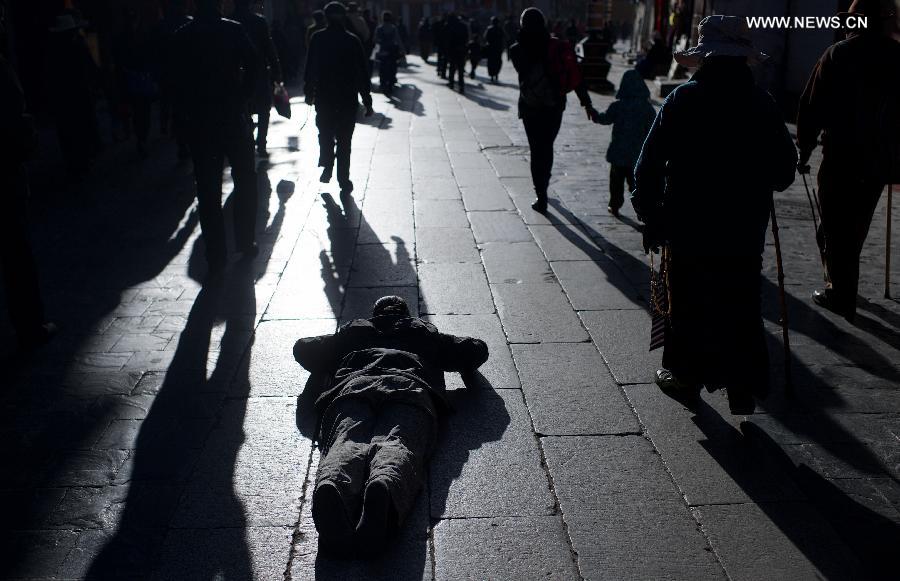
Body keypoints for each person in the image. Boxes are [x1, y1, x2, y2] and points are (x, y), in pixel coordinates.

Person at [632, 15, 797, 415]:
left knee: (687, 298)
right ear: (742, 59)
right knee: (740, 299)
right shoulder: (763, 104)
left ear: (706, 58)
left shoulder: (684, 100)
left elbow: (647, 167)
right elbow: (784, 171)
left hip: (688, 225)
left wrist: (650, 213)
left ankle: (685, 376)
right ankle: (742, 383)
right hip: (743, 227)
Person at [293, 296, 488, 555]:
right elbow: (475, 350)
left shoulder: (355, 330)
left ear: (375, 314)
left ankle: (334, 486)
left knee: (346, 441)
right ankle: (384, 486)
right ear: (405, 314)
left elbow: (303, 349)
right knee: (398, 442)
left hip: (353, 387)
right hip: (410, 387)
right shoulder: (423, 333)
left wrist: (336, 351)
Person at [796, 0, 900, 322]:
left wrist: (805, 147)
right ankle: (842, 287)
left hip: (841, 156)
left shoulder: (837, 54)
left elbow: (812, 104)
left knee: (832, 226)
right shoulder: (897, 57)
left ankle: (840, 294)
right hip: (876, 161)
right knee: (854, 226)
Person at [171, 0, 260, 276]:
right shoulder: (233, 30)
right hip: (232, 118)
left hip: (200, 122)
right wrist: (242, 98)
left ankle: (216, 254)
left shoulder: (183, 36)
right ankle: (245, 241)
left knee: (208, 190)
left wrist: (183, 116)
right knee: (245, 180)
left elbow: (172, 82)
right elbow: (255, 66)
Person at [1, 17, 57, 351]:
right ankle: (29, 325)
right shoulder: (1, 70)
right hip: (3, 176)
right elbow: (16, 119)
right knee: (16, 253)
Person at [510, 7, 598, 212]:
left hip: (530, 106)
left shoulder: (516, 49)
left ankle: (540, 194)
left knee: (535, 150)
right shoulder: (557, 47)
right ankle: (545, 185)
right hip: (553, 106)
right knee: (546, 148)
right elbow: (575, 76)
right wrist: (586, 103)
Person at [305, 1, 374, 194]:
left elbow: (310, 67)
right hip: (347, 97)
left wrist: (308, 91)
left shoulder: (317, 38)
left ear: (326, 18)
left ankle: (327, 163)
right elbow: (362, 73)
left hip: (325, 96)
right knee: (345, 140)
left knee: (325, 133)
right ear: (344, 17)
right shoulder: (352, 40)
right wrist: (367, 100)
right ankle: (343, 178)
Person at [593, 69, 656, 217]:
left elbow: (604, 119)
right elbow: (653, 130)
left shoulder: (618, 106)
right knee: (636, 184)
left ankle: (614, 205)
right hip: (637, 155)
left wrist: (593, 114)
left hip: (619, 154)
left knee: (616, 182)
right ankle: (642, 209)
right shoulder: (648, 109)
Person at [45, 10, 100, 178]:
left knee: (68, 131)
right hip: (80, 95)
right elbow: (91, 69)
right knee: (81, 127)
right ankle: (83, 159)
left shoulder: (53, 52)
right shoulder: (78, 46)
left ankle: (74, 162)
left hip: (64, 99)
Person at [232, 0, 283, 158]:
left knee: (241, 108)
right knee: (263, 109)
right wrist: (276, 70)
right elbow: (269, 47)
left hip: (235, 74)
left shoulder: (229, 22)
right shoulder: (259, 21)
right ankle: (261, 143)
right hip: (259, 71)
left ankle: (245, 140)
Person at [154, 0, 191, 160]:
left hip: (169, 74)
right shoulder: (189, 24)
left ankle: (178, 140)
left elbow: (154, 51)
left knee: (174, 107)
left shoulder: (161, 26)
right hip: (189, 75)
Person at [374, 10, 402, 94]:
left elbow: (375, 41)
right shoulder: (393, 28)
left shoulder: (379, 28)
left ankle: (382, 83)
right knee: (392, 67)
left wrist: (375, 53)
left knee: (382, 68)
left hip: (382, 50)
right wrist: (402, 50)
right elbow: (398, 40)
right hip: (392, 50)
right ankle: (390, 83)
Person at [444, 13, 469, 93]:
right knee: (460, 69)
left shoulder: (448, 26)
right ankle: (461, 86)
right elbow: (466, 37)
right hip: (461, 49)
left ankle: (451, 83)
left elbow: (446, 39)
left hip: (452, 50)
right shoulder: (463, 26)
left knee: (452, 67)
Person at [484, 16, 505, 83]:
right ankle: (495, 74)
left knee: (491, 63)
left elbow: (485, 37)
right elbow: (504, 37)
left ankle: (493, 75)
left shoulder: (489, 29)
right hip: (497, 49)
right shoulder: (499, 29)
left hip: (492, 49)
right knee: (497, 62)